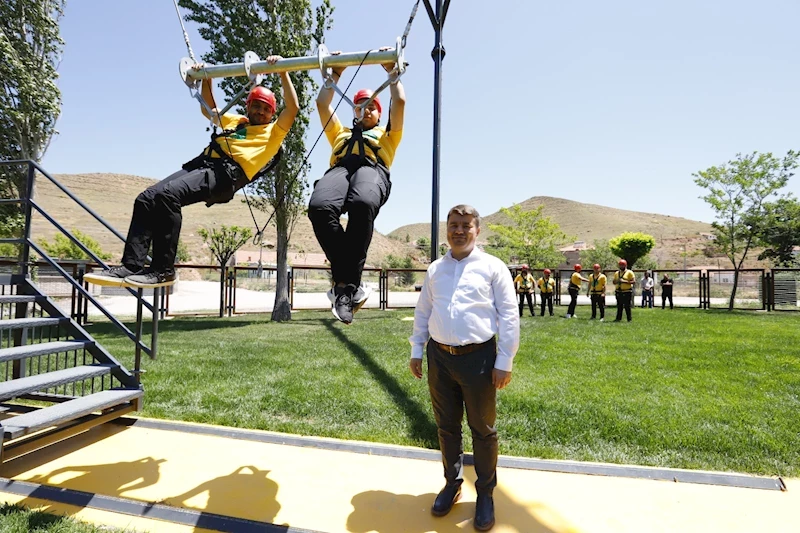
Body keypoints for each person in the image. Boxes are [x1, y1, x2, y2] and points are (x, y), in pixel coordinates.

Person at [88, 57, 298, 288]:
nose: (260, 112)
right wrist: (206, 77)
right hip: (204, 164)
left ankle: (163, 270)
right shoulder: (237, 121)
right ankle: (131, 265)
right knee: (146, 199)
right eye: (256, 106)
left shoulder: (274, 132)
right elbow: (209, 110)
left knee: (168, 196)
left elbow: (293, 108)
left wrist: (282, 72)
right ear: (247, 106)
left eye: (266, 109)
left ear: (272, 113)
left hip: (225, 175)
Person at [409, 204, 519, 532]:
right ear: (447, 229)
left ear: (477, 230)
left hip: (480, 359)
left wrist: (504, 361)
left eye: (465, 225)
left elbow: (509, 315)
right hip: (439, 358)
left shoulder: (492, 267)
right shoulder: (435, 270)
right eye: (453, 225)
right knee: (446, 427)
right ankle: (452, 484)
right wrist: (417, 349)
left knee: (483, 429)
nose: (458, 230)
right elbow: (424, 311)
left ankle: (484, 494)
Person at [308, 53, 406, 324]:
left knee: (362, 203)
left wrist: (393, 75)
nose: (364, 110)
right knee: (319, 207)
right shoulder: (340, 134)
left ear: (378, 112)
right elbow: (322, 103)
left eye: (370, 106)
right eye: (359, 106)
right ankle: (347, 284)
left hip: (372, 170)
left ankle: (346, 289)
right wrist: (335, 75)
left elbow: (399, 101)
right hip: (341, 170)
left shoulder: (387, 135)